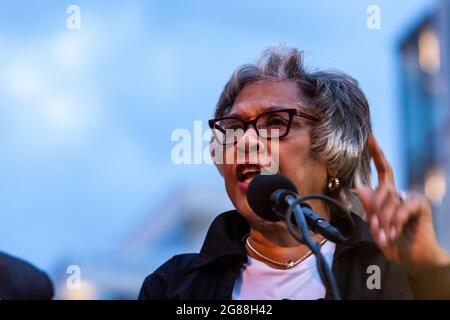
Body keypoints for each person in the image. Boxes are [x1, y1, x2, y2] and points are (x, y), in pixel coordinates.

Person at [139, 45, 449, 300]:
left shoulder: (389, 273)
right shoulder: (173, 287)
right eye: (233, 128)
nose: (246, 141)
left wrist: (431, 272)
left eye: (275, 123)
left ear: (332, 151)